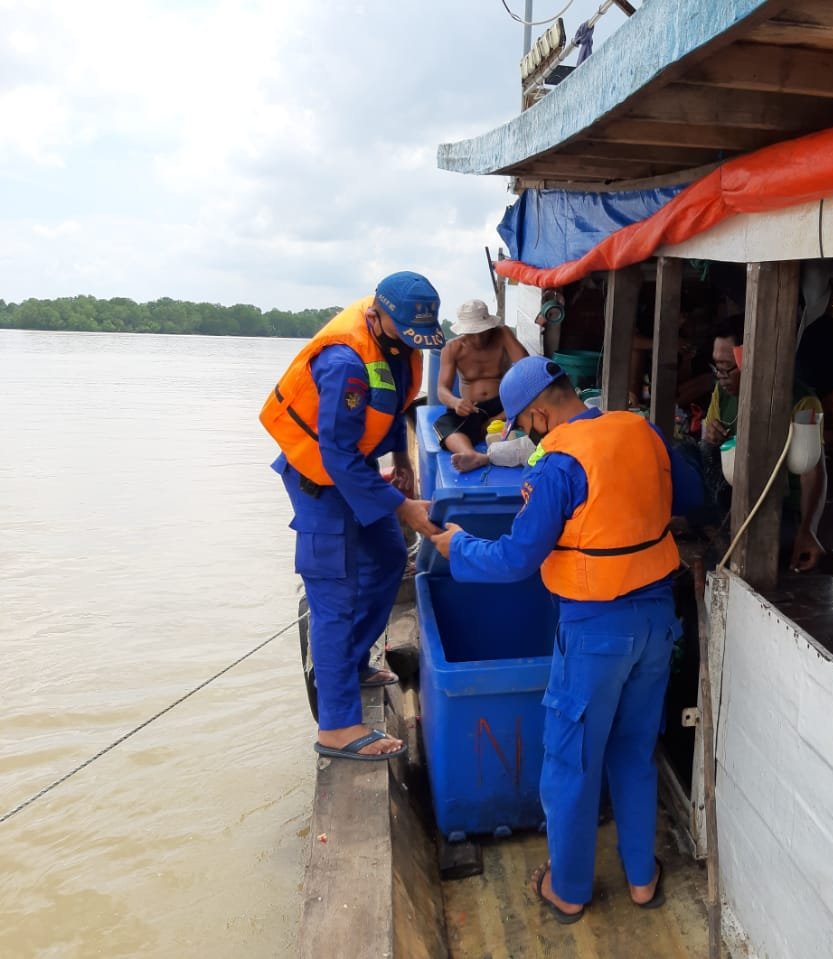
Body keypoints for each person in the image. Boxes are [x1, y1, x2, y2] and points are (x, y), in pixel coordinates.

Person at [429, 357, 702, 923]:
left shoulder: (557, 466)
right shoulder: (639, 428)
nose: (529, 437)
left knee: (570, 762)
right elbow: (693, 496)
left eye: (525, 426)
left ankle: (570, 889)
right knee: (633, 752)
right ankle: (642, 879)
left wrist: (458, 548)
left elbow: (513, 559)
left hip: (595, 633)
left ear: (537, 412)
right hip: (657, 623)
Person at [260, 271, 443, 761]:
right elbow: (336, 456)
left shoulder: (397, 343)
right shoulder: (344, 363)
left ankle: (357, 661)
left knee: (387, 560)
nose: (412, 343)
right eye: (407, 333)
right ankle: (338, 727)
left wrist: (402, 462)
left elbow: (391, 409)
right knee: (334, 593)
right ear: (379, 316)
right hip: (318, 478)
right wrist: (405, 507)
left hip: (354, 470)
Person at [700, 315, 827, 572]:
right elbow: (707, 444)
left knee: (733, 545)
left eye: (728, 367)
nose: (721, 377)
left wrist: (807, 530)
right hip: (730, 495)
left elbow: (812, 471)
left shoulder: (801, 402)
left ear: (750, 360)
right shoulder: (722, 392)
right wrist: (710, 435)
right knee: (690, 452)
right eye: (717, 368)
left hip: (777, 509)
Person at [434, 299, 529, 472]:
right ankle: (471, 455)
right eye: (472, 333)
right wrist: (456, 403)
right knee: (443, 425)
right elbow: (441, 390)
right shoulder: (452, 348)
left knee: (531, 404)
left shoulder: (502, 335)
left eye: (482, 331)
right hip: (473, 409)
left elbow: (526, 366)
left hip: (504, 402)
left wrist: (503, 415)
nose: (478, 339)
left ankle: (504, 423)